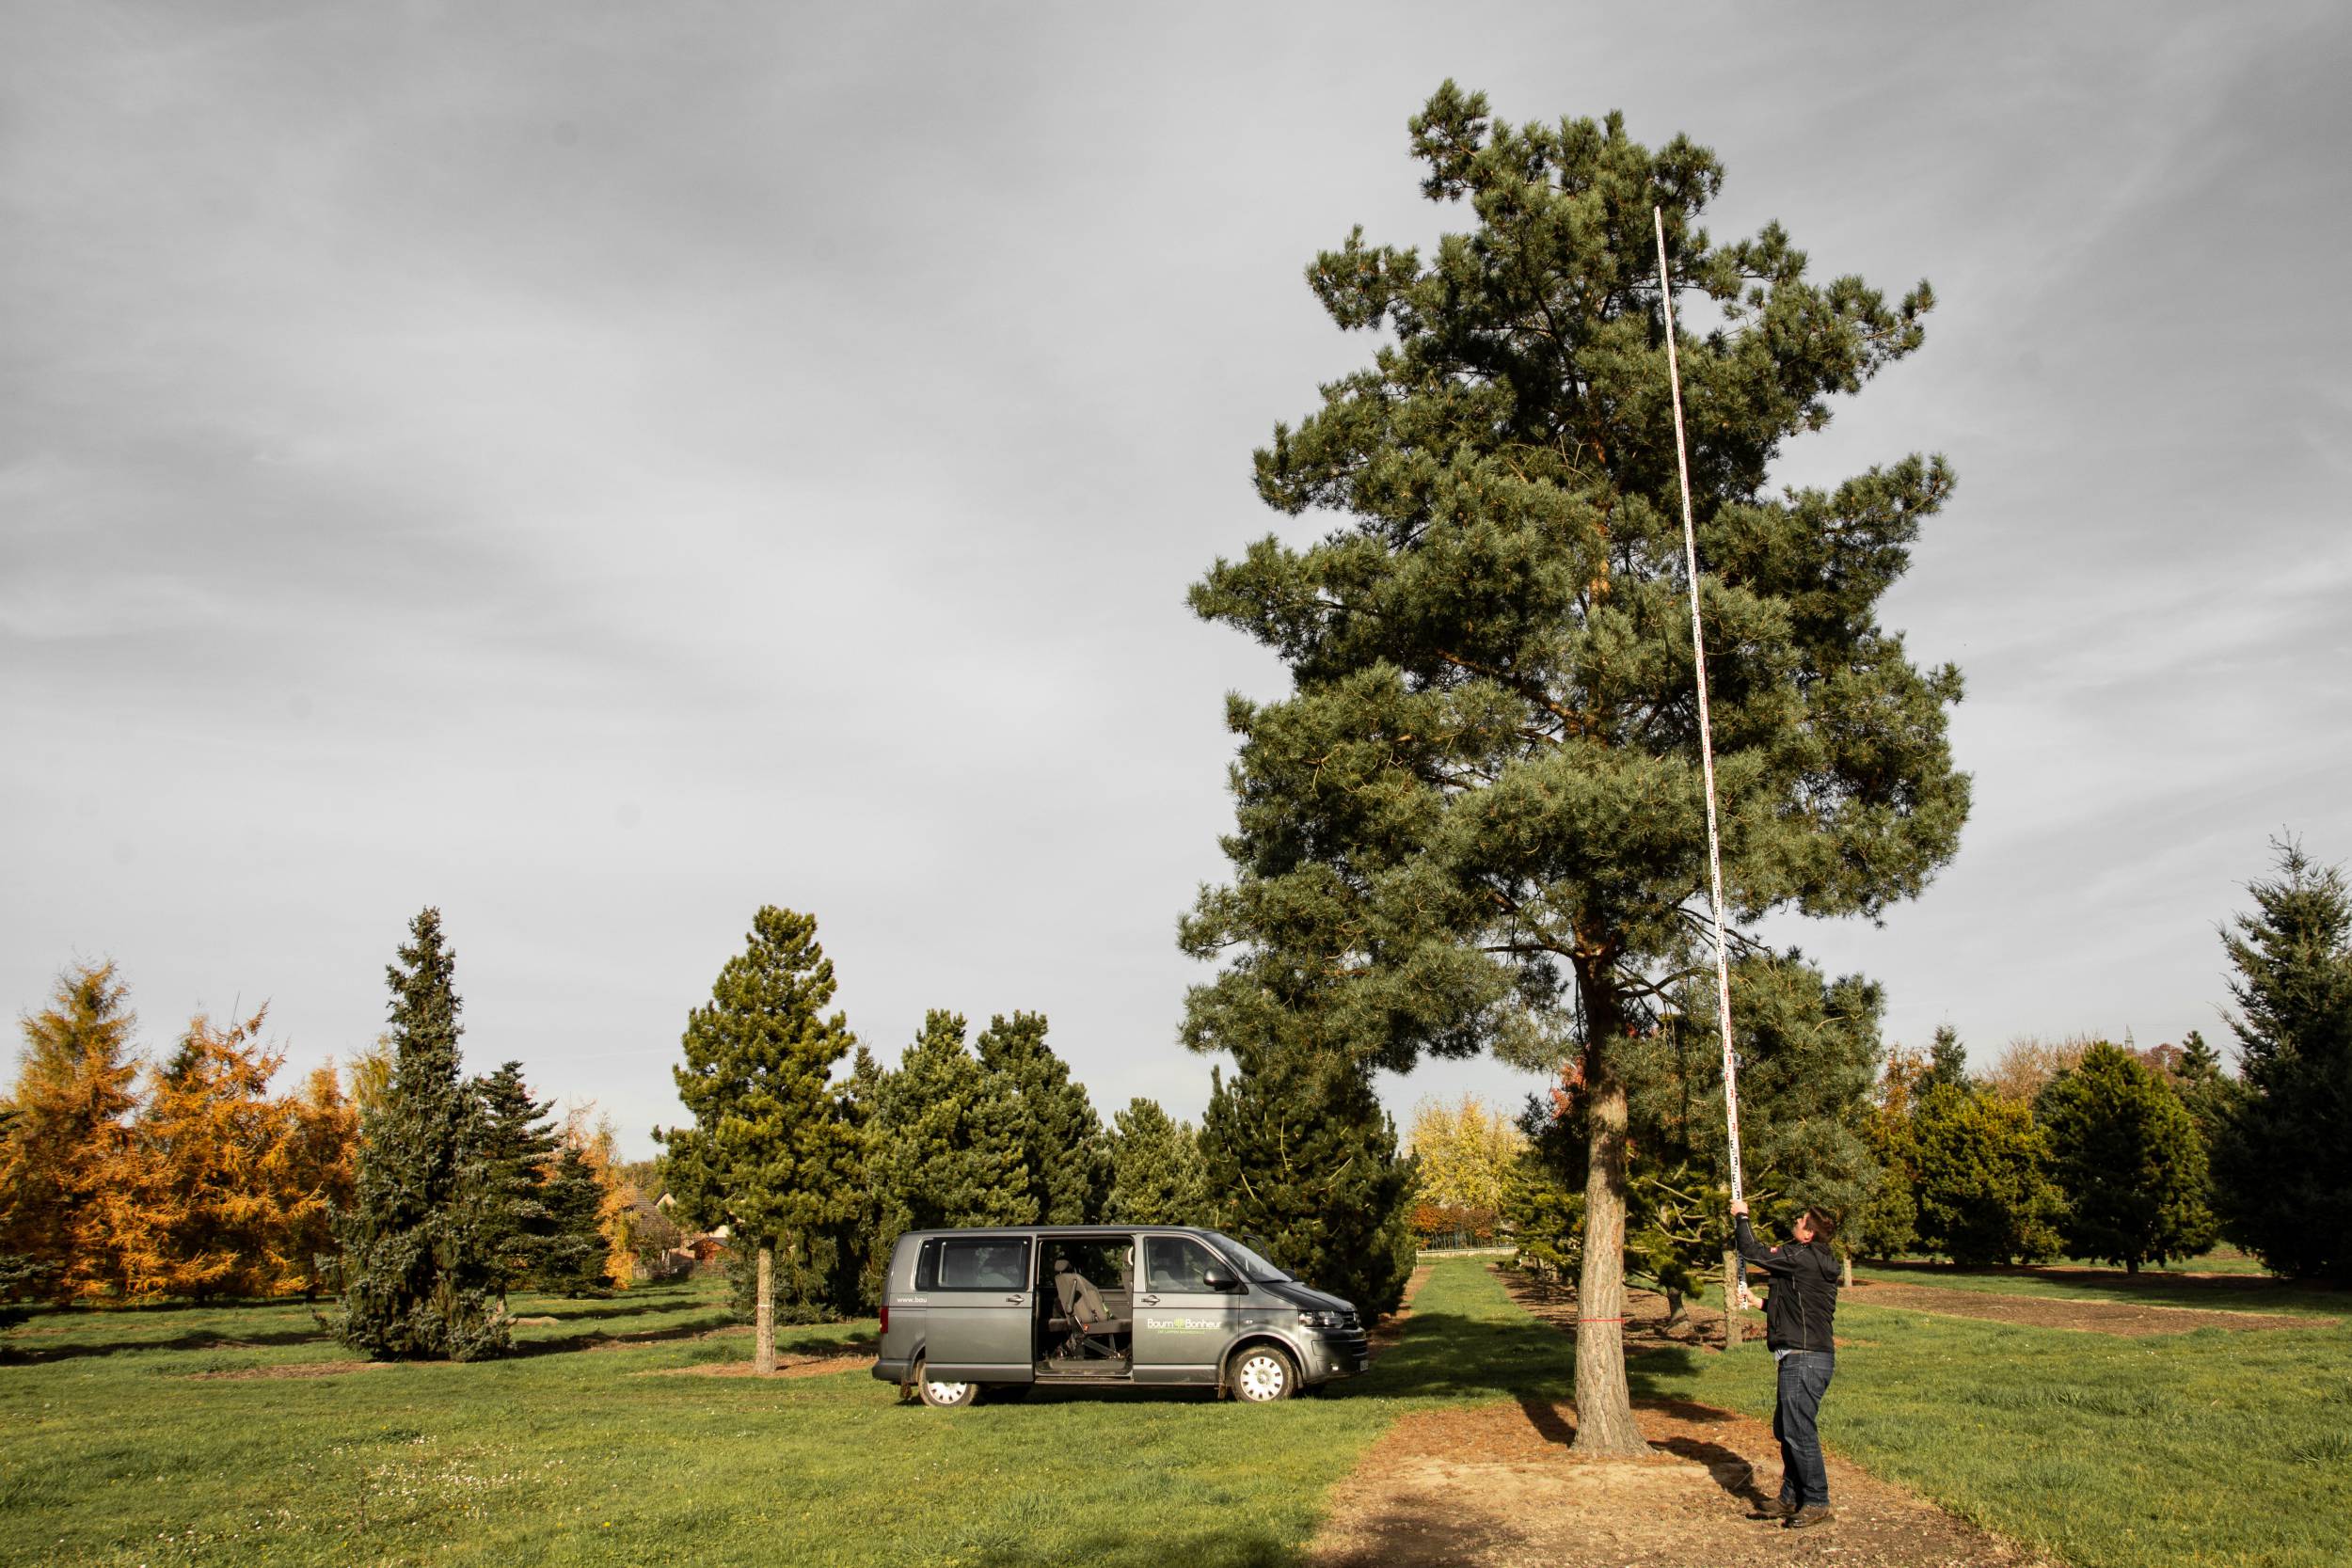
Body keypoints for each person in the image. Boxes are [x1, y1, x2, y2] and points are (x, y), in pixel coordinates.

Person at [1730, 1197, 1843, 1529]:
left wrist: (1742, 1217)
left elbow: (1752, 1251)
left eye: (1801, 1219)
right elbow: (1796, 1308)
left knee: (1798, 1430)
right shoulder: (1811, 1262)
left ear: (1808, 1234)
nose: (1796, 1221)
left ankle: (1818, 1501)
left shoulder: (1802, 1256)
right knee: (1787, 1428)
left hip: (1805, 1358)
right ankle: (1790, 1497)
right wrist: (1759, 1301)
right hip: (1805, 1355)